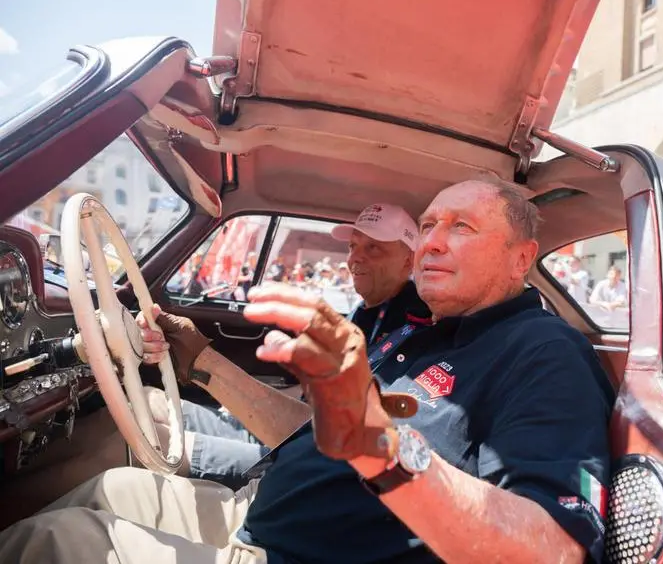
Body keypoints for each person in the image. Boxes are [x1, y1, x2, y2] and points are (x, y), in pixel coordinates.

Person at [0, 179, 613, 564]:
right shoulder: (432, 336)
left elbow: (551, 549)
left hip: (292, 551)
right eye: (428, 226)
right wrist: (205, 365)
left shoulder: (546, 355)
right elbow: (321, 431)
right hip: (260, 511)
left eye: (462, 227)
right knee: (103, 492)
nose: (431, 242)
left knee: (49, 542)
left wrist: (378, 441)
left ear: (521, 258)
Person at [144, 202, 427, 490]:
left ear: (409, 260)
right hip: (287, 431)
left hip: (299, 455)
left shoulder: (412, 331)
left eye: (374, 248)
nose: (355, 258)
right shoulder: (363, 313)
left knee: (139, 441)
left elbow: (337, 432)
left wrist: (204, 363)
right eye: (354, 246)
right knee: (146, 401)